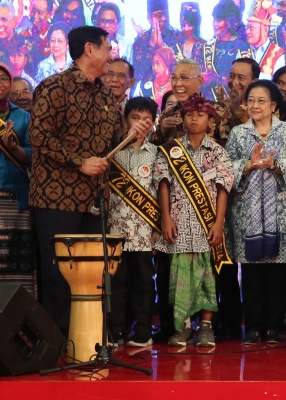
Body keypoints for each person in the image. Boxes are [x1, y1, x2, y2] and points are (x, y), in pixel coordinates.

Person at [29, 26, 153, 336]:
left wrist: (131, 134)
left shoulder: (103, 93)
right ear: (89, 49)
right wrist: (79, 162)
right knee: (58, 275)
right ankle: (55, 343)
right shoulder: (55, 86)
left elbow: (110, 139)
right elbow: (39, 135)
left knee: (92, 274)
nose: (112, 54)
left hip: (94, 201)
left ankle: (86, 340)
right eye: (108, 48)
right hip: (56, 200)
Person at [225, 80, 286, 344]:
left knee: (277, 269)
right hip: (246, 211)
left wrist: (276, 165)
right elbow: (228, 167)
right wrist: (247, 165)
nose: (255, 105)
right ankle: (253, 325)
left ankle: (274, 325)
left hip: (280, 211)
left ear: (273, 105)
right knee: (251, 270)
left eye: (262, 101)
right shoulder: (238, 133)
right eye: (251, 100)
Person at [154, 93, 234, 347]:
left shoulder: (218, 151)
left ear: (210, 121)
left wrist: (219, 222)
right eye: (190, 114)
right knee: (180, 276)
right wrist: (165, 217)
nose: (195, 119)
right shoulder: (171, 150)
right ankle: (183, 326)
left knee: (206, 275)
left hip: (206, 224)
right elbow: (162, 184)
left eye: (200, 115)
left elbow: (224, 188)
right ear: (182, 118)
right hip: (178, 223)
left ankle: (207, 326)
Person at [108, 97, 159, 347]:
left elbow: (161, 194)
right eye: (135, 118)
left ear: (153, 123)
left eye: (147, 119)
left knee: (143, 283)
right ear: (125, 119)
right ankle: (116, 329)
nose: (141, 124)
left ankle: (143, 329)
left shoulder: (156, 153)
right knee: (116, 283)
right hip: (115, 230)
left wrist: (157, 230)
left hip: (143, 231)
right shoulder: (112, 151)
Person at [0, 63, 36, 297]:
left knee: (17, 262)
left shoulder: (24, 118)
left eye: (3, 79)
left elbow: (34, 156)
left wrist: (12, 148)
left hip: (17, 201)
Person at [151, 59, 234, 147]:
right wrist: (163, 131)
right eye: (174, 78)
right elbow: (154, 151)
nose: (178, 84)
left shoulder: (217, 110)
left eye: (184, 78)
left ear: (199, 81)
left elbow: (229, 149)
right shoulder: (167, 114)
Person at [196, 0, 252, 102]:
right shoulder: (207, 47)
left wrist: (217, 79)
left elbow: (246, 81)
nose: (215, 24)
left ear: (230, 21)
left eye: (219, 20)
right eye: (214, 20)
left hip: (235, 104)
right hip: (209, 103)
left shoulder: (243, 47)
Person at [131, 0, 184, 82]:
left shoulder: (178, 36)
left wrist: (162, 47)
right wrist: (152, 46)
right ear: (149, 18)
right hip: (148, 91)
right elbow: (138, 73)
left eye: (166, 14)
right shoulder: (140, 41)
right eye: (159, 15)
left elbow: (183, 67)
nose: (164, 18)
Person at [245, 0, 285, 80]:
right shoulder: (243, 50)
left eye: (251, 27)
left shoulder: (277, 54)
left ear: (265, 29)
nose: (247, 31)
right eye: (247, 27)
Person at [18, 0, 54, 77]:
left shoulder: (56, 37)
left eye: (40, 12)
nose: (35, 16)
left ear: (49, 14)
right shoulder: (22, 34)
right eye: (33, 10)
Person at [103, 58, 136, 123]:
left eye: (121, 76)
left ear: (131, 82)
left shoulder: (135, 112)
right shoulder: (93, 106)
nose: (114, 80)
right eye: (110, 74)